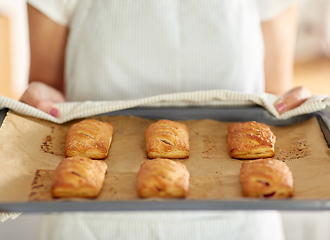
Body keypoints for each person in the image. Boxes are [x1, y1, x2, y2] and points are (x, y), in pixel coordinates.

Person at [20, 1, 311, 239]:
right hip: (87, 223)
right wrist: (40, 98)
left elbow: (273, 94)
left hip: (240, 222)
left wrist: (291, 104)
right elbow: (47, 83)